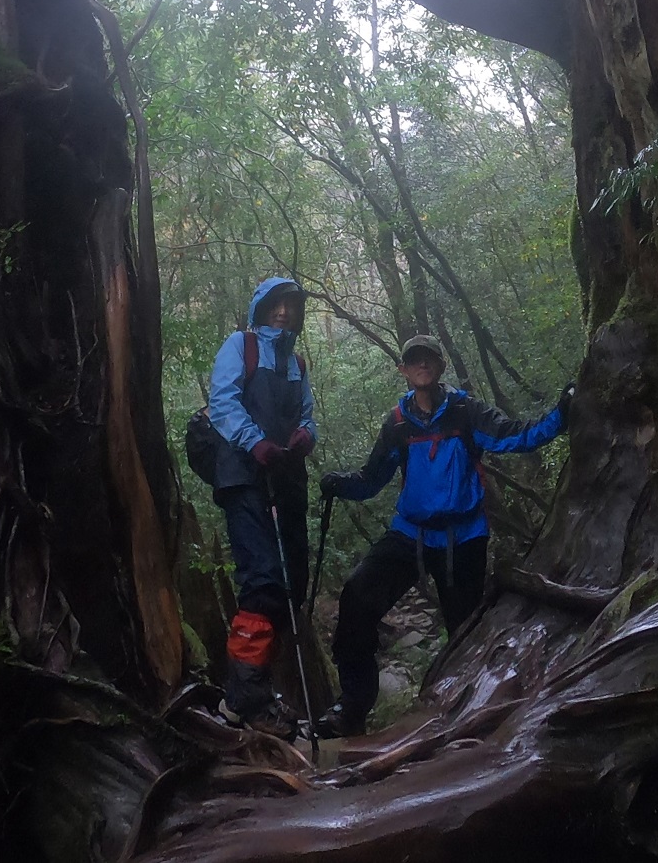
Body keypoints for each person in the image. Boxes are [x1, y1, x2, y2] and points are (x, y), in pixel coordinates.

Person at [315, 335, 570, 738]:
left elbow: (515, 436)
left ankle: (466, 711)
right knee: (358, 596)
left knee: (465, 628)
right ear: (403, 370)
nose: (421, 365)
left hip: (463, 537)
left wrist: (561, 415)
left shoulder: (465, 412)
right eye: (413, 360)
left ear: (440, 366)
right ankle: (352, 708)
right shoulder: (398, 423)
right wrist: (340, 484)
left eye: (428, 359)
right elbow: (372, 480)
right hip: (409, 534)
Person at [208, 276, 317, 734]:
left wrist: (304, 436)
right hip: (245, 478)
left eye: (291, 305)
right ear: (261, 307)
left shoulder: (297, 362)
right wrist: (256, 444)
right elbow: (222, 401)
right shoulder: (241, 345)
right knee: (262, 582)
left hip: (286, 480)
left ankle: (250, 697)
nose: (283, 312)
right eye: (276, 304)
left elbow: (307, 414)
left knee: (292, 584)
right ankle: (244, 702)